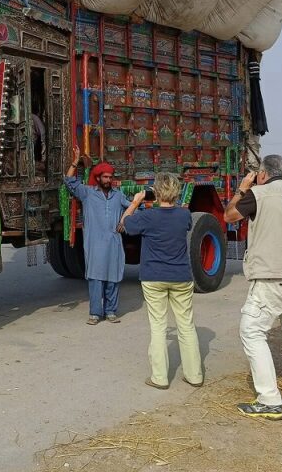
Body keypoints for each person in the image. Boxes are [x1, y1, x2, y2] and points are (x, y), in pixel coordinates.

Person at [224, 154, 282, 421]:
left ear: (262, 173)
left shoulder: (257, 194)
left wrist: (243, 188)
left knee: (252, 331)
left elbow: (229, 216)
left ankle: (269, 400)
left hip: (271, 275)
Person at [120, 172, 203, 389]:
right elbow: (182, 226)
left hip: (153, 276)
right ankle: (194, 375)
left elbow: (125, 224)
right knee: (186, 325)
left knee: (158, 327)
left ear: (156, 193)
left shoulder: (148, 216)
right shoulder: (185, 215)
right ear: (176, 192)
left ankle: (160, 377)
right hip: (181, 277)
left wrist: (135, 202)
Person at [64, 145, 131, 324]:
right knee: (95, 278)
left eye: (110, 177)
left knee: (113, 278)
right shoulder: (87, 193)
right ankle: (95, 313)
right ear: (98, 177)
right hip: (94, 244)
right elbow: (69, 181)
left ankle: (110, 312)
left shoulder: (118, 195)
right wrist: (75, 161)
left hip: (114, 243)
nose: (108, 180)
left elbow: (133, 208)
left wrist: (124, 223)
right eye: (105, 177)